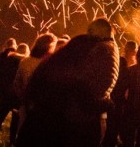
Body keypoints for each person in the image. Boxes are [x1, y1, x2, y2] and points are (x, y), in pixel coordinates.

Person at [18, 18, 120, 147]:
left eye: (91, 30)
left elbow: (89, 88)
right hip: (73, 120)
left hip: (63, 120)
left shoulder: (89, 47)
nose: (88, 33)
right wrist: (106, 104)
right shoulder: (106, 50)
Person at [13, 33, 56, 137]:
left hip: (26, 104)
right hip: (42, 108)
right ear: (49, 47)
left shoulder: (26, 61)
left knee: (24, 134)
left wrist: (23, 98)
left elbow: (16, 84)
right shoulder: (49, 64)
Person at [0, 42, 28, 145]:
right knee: (15, 119)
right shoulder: (24, 62)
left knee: (0, 115)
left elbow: (2, 74)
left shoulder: (8, 59)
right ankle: (11, 141)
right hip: (16, 93)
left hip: (6, 92)